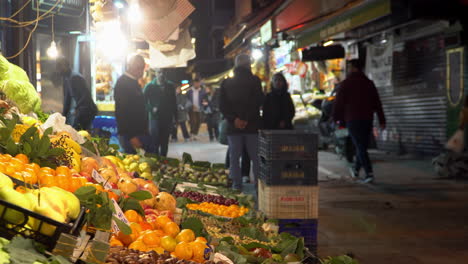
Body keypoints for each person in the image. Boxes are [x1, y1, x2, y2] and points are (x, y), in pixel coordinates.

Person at [332, 59, 386, 184]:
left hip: (353, 119)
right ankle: (355, 170)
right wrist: (382, 120)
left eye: (349, 67)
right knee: (361, 145)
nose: (348, 69)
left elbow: (338, 103)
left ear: (354, 68)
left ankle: (369, 173)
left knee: (360, 146)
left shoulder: (346, 84)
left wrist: (336, 119)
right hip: (367, 119)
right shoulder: (369, 83)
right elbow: (377, 103)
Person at [219, 54, 264, 191]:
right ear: (249, 64)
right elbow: (258, 101)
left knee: (234, 158)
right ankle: (259, 186)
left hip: (234, 128)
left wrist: (235, 120)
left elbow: (222, 106)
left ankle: (236, 186)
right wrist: (246, 119)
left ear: (236, 65)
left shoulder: (226, 83)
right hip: (252, 126)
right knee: (256, 158)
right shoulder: (255, 80)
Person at [114, 54, 154, 154]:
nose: (142, 71)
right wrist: (131, 136)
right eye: (141, 68)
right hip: (132, 136)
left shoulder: (133, 82)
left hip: (140, 133)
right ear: (134, 67)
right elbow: (122, 112)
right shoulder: (123, 83)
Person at [143, 68, 177, 156]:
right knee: (155, 141)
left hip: (167, 118)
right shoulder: (149, 86)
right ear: (155, 73)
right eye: (159, 72)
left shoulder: (170, 86)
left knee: (165, 142)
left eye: (163, 72)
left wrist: (176, 119)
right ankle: (157, 161)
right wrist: (151, 108)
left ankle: (163, 161)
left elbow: (174, 102)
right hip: (154, 118)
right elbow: (143, 102)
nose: (161, 74)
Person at [56, 57, 97, 130]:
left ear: (65, 66)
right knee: (76, 131)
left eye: (59, 67)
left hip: (87, 110)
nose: (58, 70)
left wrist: (76, 108)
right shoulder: (67, 78)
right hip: (82, 110)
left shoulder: (75, 77)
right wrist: (63, 116)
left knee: (78, 132)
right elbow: (67, 100)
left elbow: (85, 95)